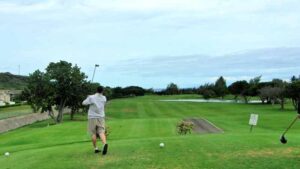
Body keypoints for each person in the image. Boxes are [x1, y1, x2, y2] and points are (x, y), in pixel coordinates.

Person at [82, 86, 108, 155]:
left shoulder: (91, 97)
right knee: (101, 132)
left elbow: (84, 103)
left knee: (93, 133)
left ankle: (96, 148)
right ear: (102, 91)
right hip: (101, 117)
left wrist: (88, 97)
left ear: (96, 90)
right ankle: (104, 144)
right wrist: (90, 97)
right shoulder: (104, 98)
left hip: (92, 117)